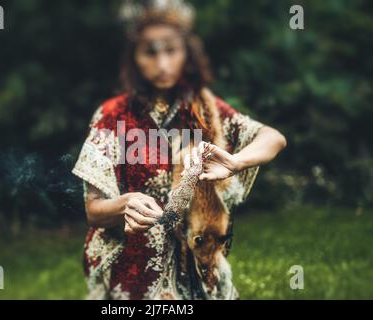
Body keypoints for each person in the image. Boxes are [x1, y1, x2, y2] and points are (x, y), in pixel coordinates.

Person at [72, 0, 286, 299]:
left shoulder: (202, 107)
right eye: (150, 52)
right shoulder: (113, 115)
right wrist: (125, 204)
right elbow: (93, 210)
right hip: (132, 269)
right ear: (134, 57)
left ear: (187, 52)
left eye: (171, 50)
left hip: (194, 264)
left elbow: (272, 138)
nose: (162, 64)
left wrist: (236, 162)